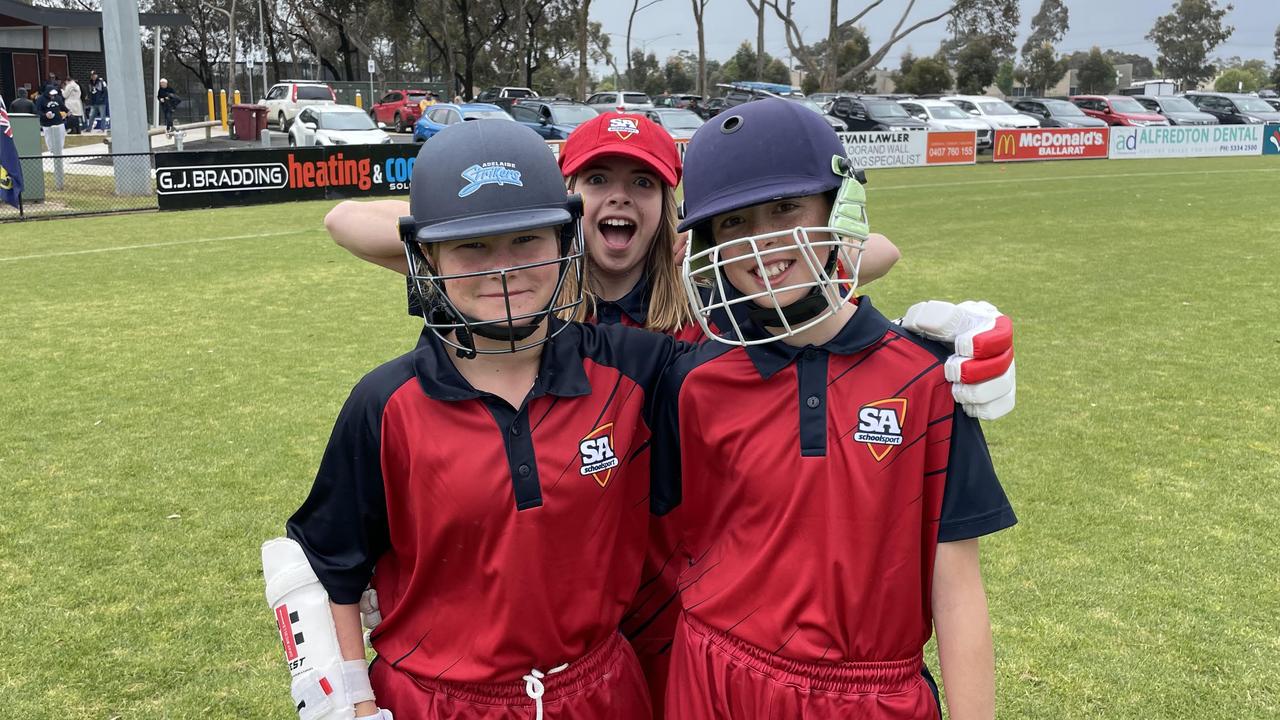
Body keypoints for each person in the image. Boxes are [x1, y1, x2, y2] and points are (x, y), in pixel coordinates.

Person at [267, 119, 692, 720]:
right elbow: (326, 565)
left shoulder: (635, 368)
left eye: (526, 240)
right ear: (425, 257)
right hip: (438, 700)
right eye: (473, 245)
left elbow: (764, 372)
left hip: (599, 688)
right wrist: (351, 702)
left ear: (565, 242)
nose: (503, 270)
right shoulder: (385, 402)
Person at [654, 98, 1017, 719]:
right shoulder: (694, 375)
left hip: (869, 692)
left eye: (785, 208)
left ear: (837, 206)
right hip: (715, 675)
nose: (762, 240)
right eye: (734, 222)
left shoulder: (927, 377)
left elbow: (955, 585)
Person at [35, 86, 68, 190]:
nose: (52, 96)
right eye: (51, 94)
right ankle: (52, 149)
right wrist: (45, 115)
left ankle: (59, 149)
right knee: (49, 138)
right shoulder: (41, 99)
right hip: (47, 123)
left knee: (61, 135)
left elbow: (62, 107)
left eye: (54, 94)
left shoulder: (57, 98)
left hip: (58, 122)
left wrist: (67, 112)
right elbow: (37, 111)